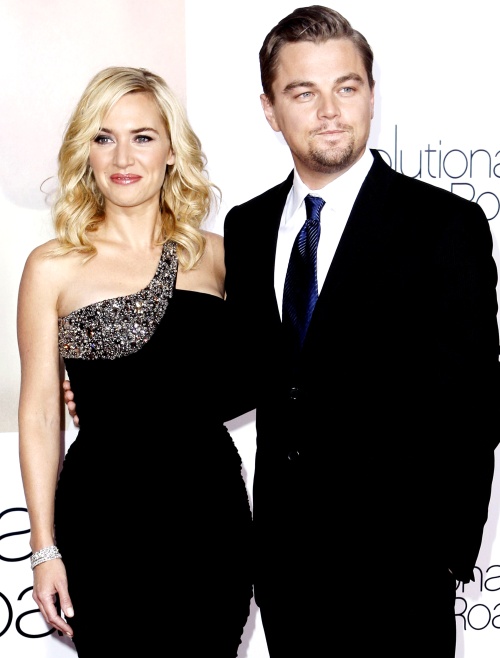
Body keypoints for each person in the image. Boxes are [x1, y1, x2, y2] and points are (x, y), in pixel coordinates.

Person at [64, 7, 500, 658]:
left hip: (400, 576)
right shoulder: (248, 227)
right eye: (303, 92)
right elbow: (247, 371)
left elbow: (473, 400)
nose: (329, 111)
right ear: (269, 109)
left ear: (371, 94)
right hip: (280, 567)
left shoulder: (442, 225)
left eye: (346, 87)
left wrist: (444, 557)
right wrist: (115, 386)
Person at [17, 66, 253, 657]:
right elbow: (40, 415)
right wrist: (44, 549)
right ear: (86, 151)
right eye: (104, 137)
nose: (123, 157)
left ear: (172, 150)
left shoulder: (217, 256)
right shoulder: (52, 265)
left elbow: (265, 374)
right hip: (103, 523)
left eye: (142, 137)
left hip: (209, 518)